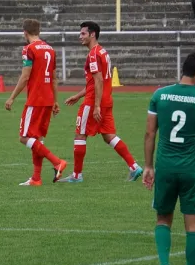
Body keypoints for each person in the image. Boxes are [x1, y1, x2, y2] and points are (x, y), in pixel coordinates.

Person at [143, 52, 195, 265]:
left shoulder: (160, 94)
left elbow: (150, 133)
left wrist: (148, 166)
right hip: (192, 168)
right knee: (193, 225)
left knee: (163, 218)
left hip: (165, 166)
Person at [58, 21, 142, 183]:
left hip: (94, 102)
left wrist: (95, 105)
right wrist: (78, 96)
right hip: (106, 100)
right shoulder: (102, 51)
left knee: (80, 134)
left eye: (83, 33)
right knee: (109, 135)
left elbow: (98, 81)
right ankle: (134, 167)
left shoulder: (93, 54)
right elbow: (96, 82)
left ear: (92, 34)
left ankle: (76, 175)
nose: (80, 37)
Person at [4, 19, 67, 186]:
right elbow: (54, 78)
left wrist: (12, 97)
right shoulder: (51, 50)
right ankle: (36, 178)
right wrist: (55, 100)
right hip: (47, 99)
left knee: (24, 138)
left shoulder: (29, 49)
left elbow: (25, 77)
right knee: (37, 139)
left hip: (35, 99)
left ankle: (57, 162)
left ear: (25, 32)